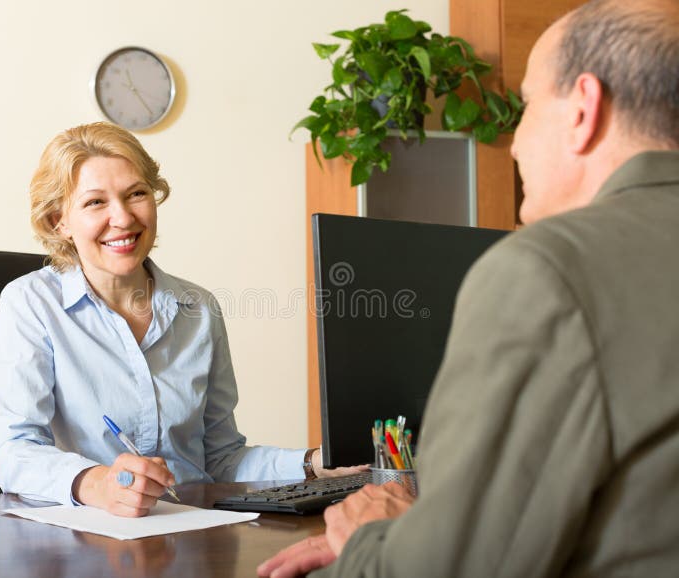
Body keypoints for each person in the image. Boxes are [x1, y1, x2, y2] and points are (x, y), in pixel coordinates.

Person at [259, 0, 679, 576]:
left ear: (584, 108)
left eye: (526, 107)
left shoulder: (547, 270)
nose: (515, 143)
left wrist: (370, 537)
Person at [0, 122, 361, 517]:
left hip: (195, 529)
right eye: (95, 202)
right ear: (58, 222)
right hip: (88, 533)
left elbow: (220, 459)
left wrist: (313, 463)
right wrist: (96, 483)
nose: (123, 218)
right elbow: (13, 451)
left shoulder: (198, 309)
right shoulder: (30, 304)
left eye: (136, 194)